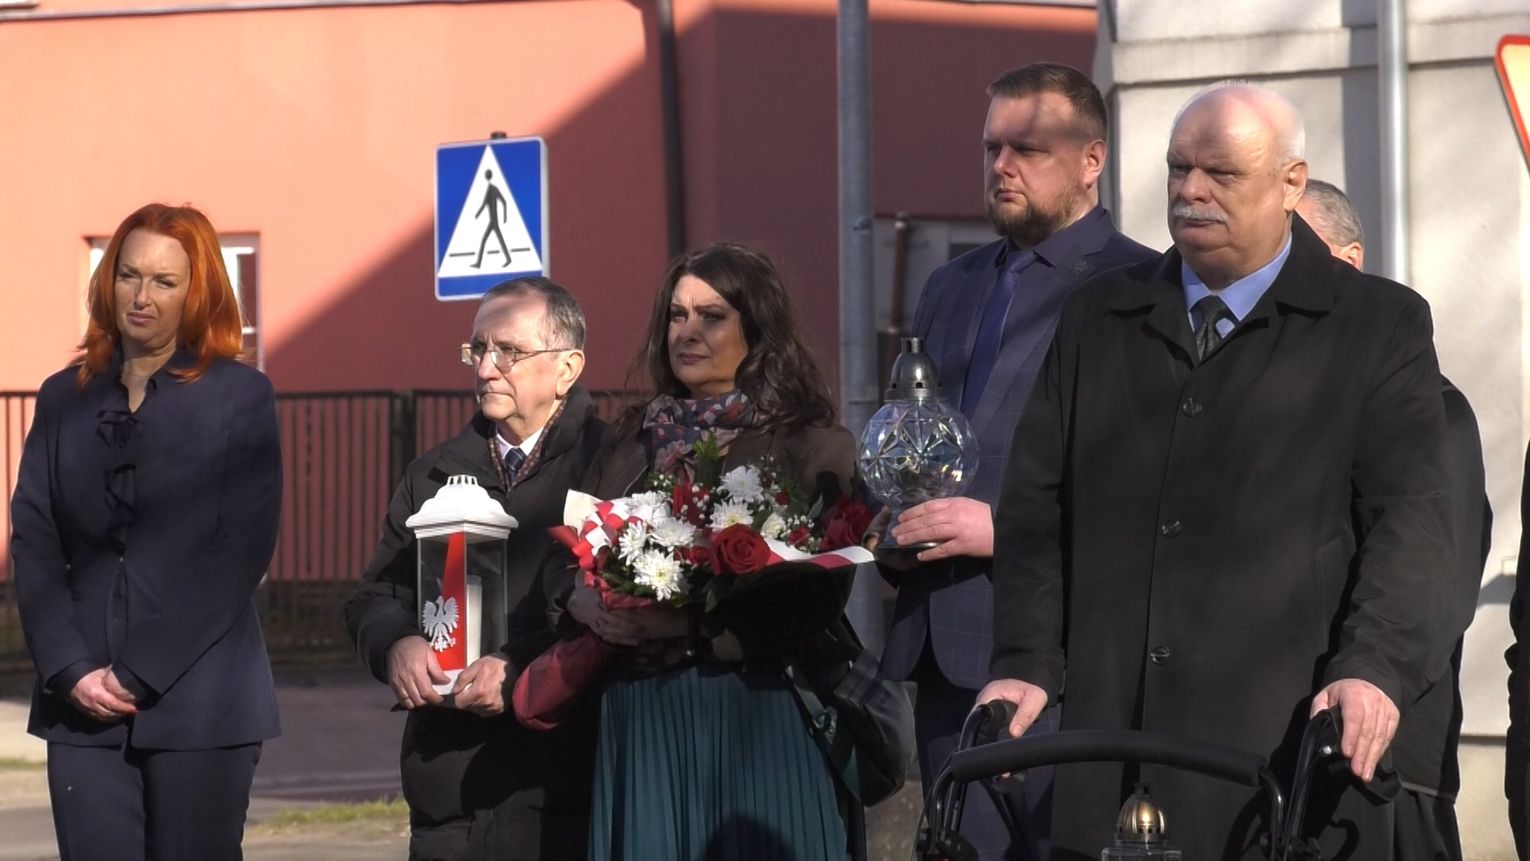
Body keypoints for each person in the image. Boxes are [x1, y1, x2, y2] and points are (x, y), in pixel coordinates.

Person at [980, 83, 1457, 859]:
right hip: (1112, 746)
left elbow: (1412, 523)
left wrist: (1374, 667)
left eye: (1222, 173)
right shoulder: (1100, 316)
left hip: (1284, 756)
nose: (1191, 191)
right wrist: (1026, 660)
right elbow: (1036, 507)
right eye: (1179, 168)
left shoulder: (1376, 325)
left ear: (1291, 183)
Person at [876, 62, 1154, 859]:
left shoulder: (1142, 285)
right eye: (991, 147)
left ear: (1092, 160)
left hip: (1067, 655)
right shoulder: (951, 285)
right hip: (943, 644)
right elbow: (925, 439)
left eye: (1027, 149)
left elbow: (1154, 487)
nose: (1001, 166)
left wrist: (1004, 528)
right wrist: (894, 512)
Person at [555, 242, 861, 859]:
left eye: (711, 316)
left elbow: (818, 595)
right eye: (677, 315)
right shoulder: (631, 439)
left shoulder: (810, 443)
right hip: (644, 718)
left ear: (758, 329)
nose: (687, 332)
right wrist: (581, 600)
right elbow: (566, 554)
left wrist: (690, 625)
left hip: (759, 717)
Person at [10, 203, 283, 860]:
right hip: (81, 705)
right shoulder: (63, 397)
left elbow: (238, 551)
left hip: (204, 700)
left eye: (164, 281)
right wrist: (70, 668)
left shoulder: (240, 397)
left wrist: (142, 670)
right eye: (128, 274)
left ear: (197, 293)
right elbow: (35, 539)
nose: (142, 296)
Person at [344, 277, 605, 860]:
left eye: (508, 351)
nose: (486, 368)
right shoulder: (432, 473)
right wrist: (396, 644)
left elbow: (616, 612)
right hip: (449, 788)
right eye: (478, 349)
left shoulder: (610, 465)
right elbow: (375, 596)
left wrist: (519, 667)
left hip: (565, 787)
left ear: (567, 368)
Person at [1298, 179, 1490, 860]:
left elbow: (1432, 583)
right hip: (1295, 754)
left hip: (1389, 770)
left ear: (1349, 263)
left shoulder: (1431, 409)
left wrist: (1368, 677)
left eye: (1294, 249)